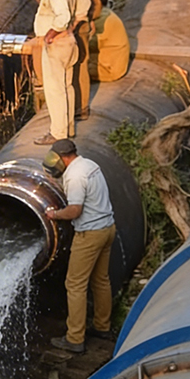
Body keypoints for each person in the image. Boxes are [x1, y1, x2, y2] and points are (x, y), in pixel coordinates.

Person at [42, 139, 115, 354]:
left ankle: (74, 339)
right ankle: (103, 327)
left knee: (75, 284)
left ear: (62, 157)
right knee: (101, 280)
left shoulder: (74, 176)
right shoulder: (90, 165)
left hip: (89, 234)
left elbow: (75, 211)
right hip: (108, 228)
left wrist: (54, 214)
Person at [33, 0, 92, 146]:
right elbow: (86, 4)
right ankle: (68, 128)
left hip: (57, 44)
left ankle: (58, 133)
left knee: (55, 90)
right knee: (67, 86)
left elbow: (63, 16)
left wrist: (51, 34)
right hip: (69, 41)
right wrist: (73, 27)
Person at [57, 0, 99, 119]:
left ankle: (70, 107)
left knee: (66, 67)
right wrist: (91, 19)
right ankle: (82, 108)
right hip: (84, 23)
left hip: (66, 27)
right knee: (82, 64)